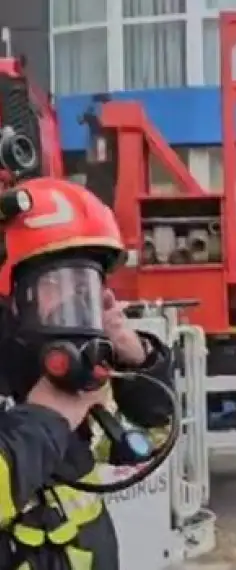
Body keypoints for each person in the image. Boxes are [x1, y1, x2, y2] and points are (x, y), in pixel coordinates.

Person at [0, 177, 174, 569]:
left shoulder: (48, 383)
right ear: (11, 300)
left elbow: (148, 441)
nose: (77, 300)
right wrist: (46, 420)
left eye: (87, 284)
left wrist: (140, 362)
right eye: (58, 282)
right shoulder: (44, 401)